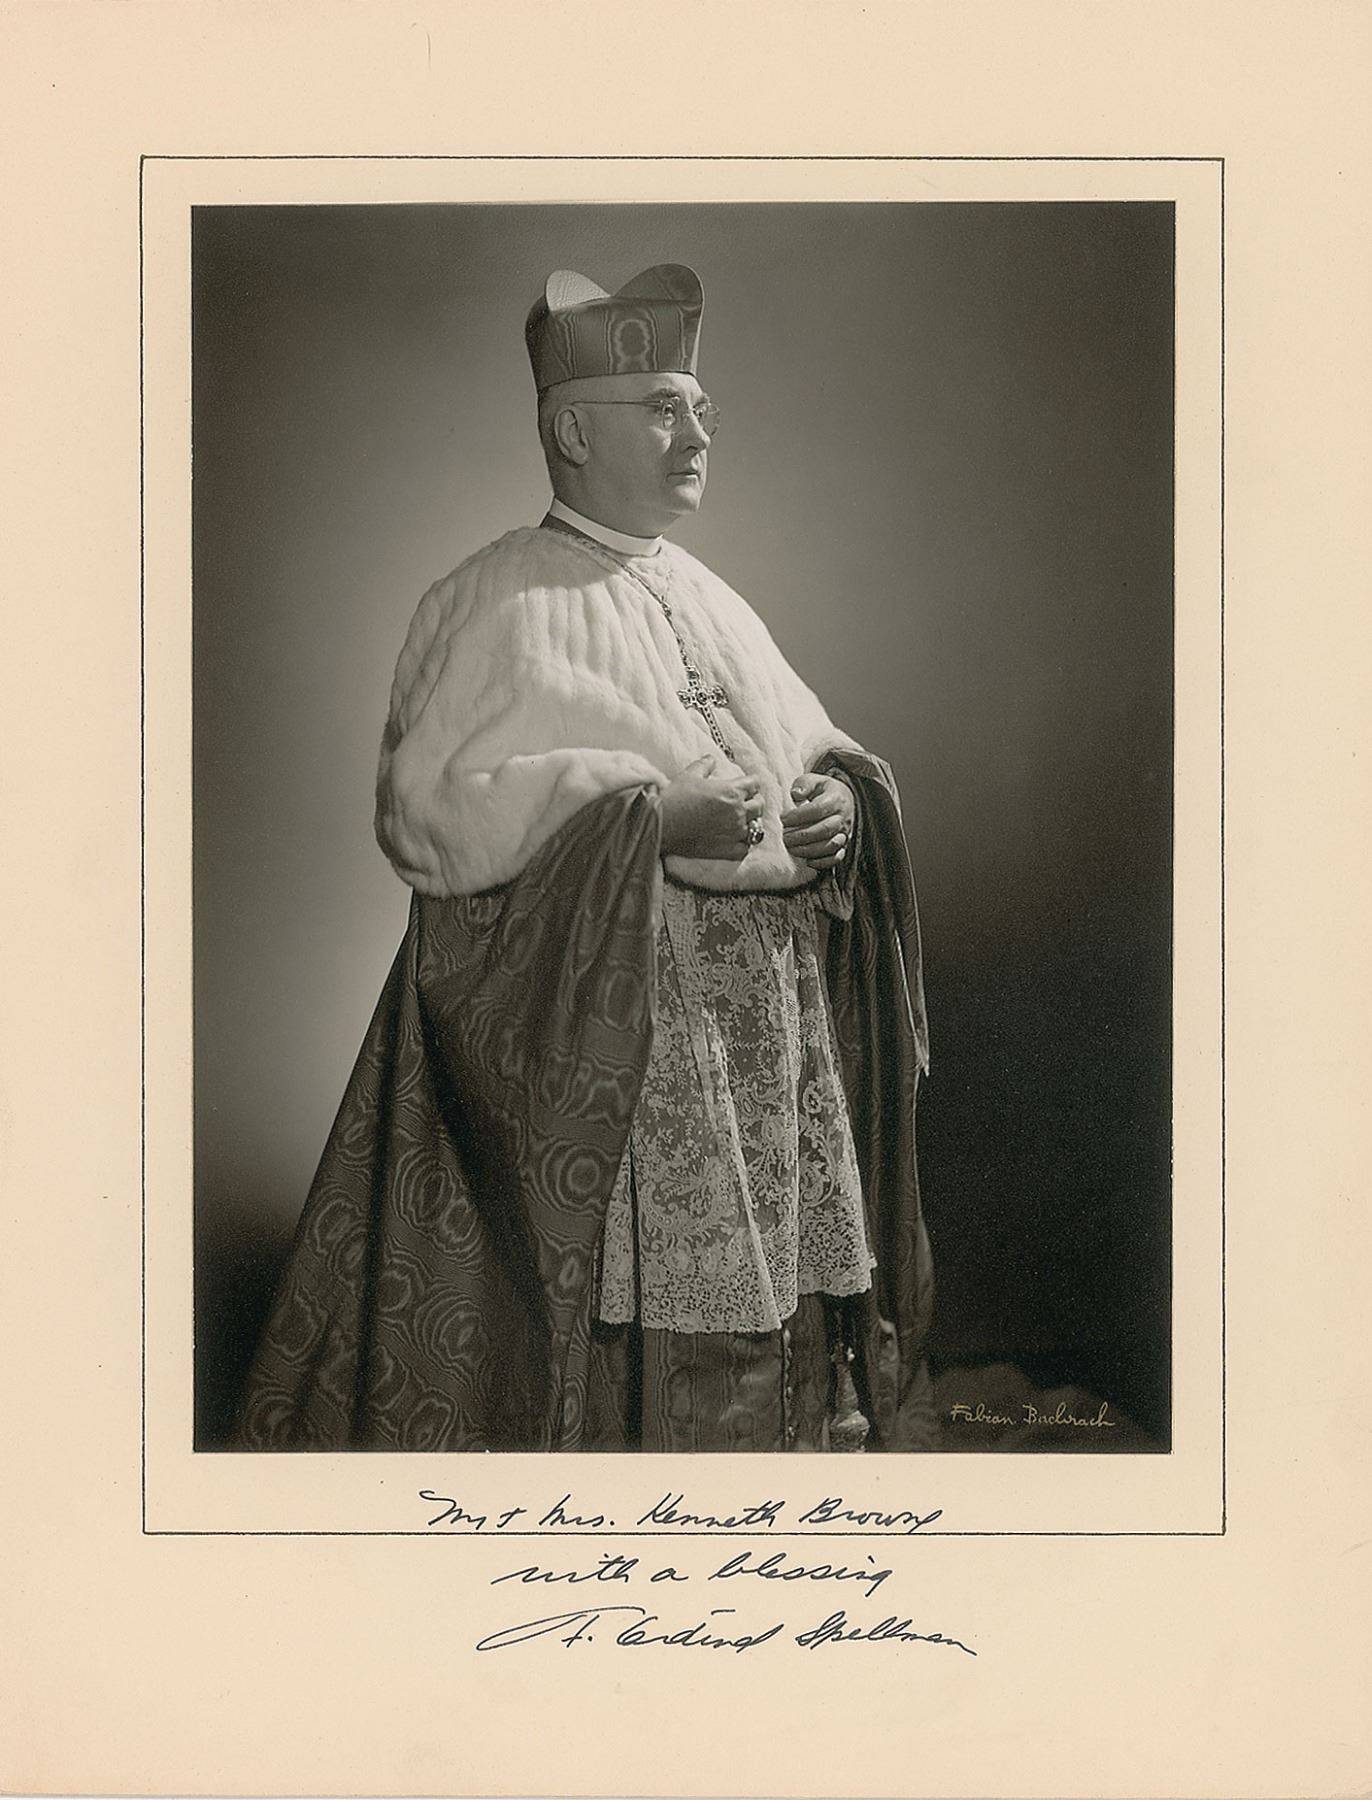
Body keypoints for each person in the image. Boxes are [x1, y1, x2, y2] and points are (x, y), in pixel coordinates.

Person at [235, 263, 934, 1453]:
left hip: (762, 1017)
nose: (697, 434)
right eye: (663, 408)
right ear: (570, 430)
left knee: (772, 1278)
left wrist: (834, 807)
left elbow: (806, 745)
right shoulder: (492, 598)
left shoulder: (714, 598)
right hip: (633, 1033)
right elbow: (429, 815)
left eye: (702, 410)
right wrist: (645, 825)